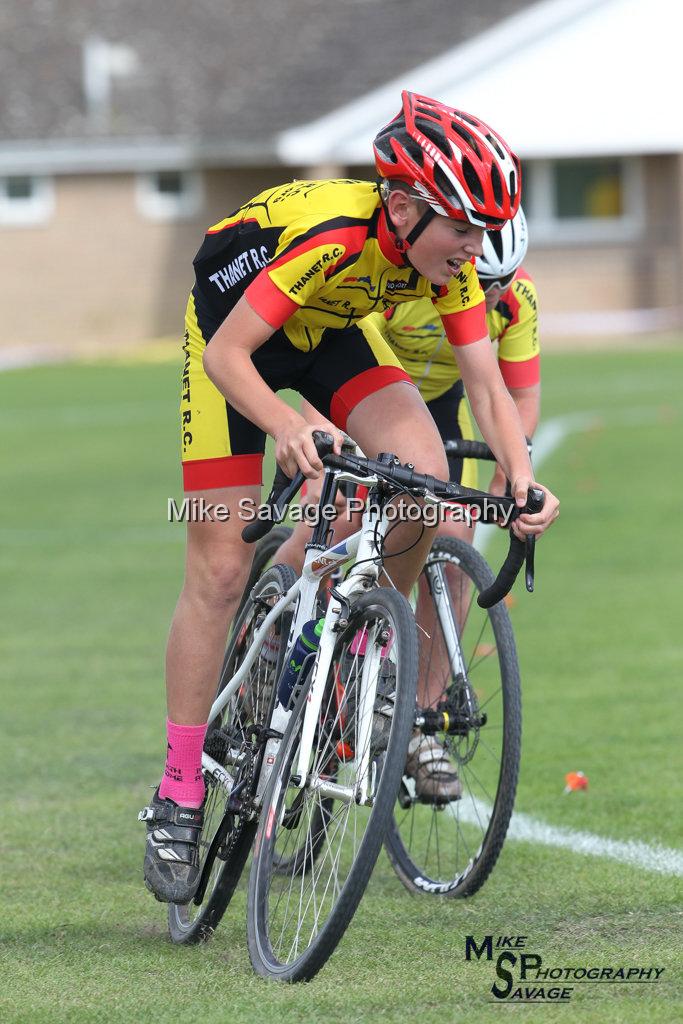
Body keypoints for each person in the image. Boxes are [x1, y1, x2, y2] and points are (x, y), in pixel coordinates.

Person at [140, 90, 559, 905]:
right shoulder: (334, 237)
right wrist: (286, 427)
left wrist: (520, 476)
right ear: (401, 208)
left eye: (483, 232)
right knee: (221, 570)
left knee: (421, 468)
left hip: (328, 326)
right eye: (463, 229)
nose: (473, 249)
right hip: (234, 335)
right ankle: (179, 791)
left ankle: (366, 638)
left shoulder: (444, 266)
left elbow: (486, 387)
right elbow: (233, 357)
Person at [275, 207, 539, 801]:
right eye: (480, 280)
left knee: (452, 552)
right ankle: (276, 633)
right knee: (335, 515)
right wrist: (323, 450)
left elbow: (518, 401)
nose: (486, 293)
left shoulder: (516, 301)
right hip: (365, 402)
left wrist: (511, 485)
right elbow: (331, 370)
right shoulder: (408, 282)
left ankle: (418, 722)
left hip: (441, 418)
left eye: (499, 285)